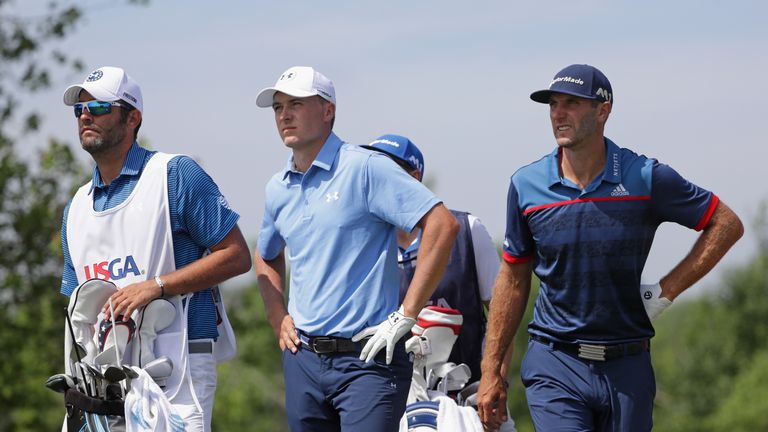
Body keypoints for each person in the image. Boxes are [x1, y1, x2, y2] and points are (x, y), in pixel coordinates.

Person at [476, 64, 744, 431]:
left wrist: (665, 292)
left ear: (603, 111)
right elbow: (514, 278)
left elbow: (726, 224)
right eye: (553, 104)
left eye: (571, 103)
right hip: (555, 363)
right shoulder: (526, 185)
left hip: (627, 364)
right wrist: (492, 372)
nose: (558, 113)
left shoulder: (645, 177)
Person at [253, 66, 458, 431]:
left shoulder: (365, 167)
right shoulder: (277, 187)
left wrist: (407, 313)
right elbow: (267, 254)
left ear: (328, 110)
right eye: (278, 107)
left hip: (369, 360)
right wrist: (276, 315)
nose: (284, 114)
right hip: (303, 361)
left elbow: (442, 224)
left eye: (296, 104)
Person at [60, 66, 252, 431]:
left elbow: (236, 255)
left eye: (99, 107)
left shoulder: (176, 174)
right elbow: (75, 309)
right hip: (103, 377)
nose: (86, 115)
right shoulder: (75, 208)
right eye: (80, 109)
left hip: (180, 366)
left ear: (132, 117)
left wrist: (156, 285)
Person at [364, 134, 517, 432]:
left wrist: (496, 379)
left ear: (414, 177)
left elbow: (504, 313)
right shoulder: (361, 248)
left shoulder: (467, 231)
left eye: (387, 171)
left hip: (470, 398)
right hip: (392, 400)